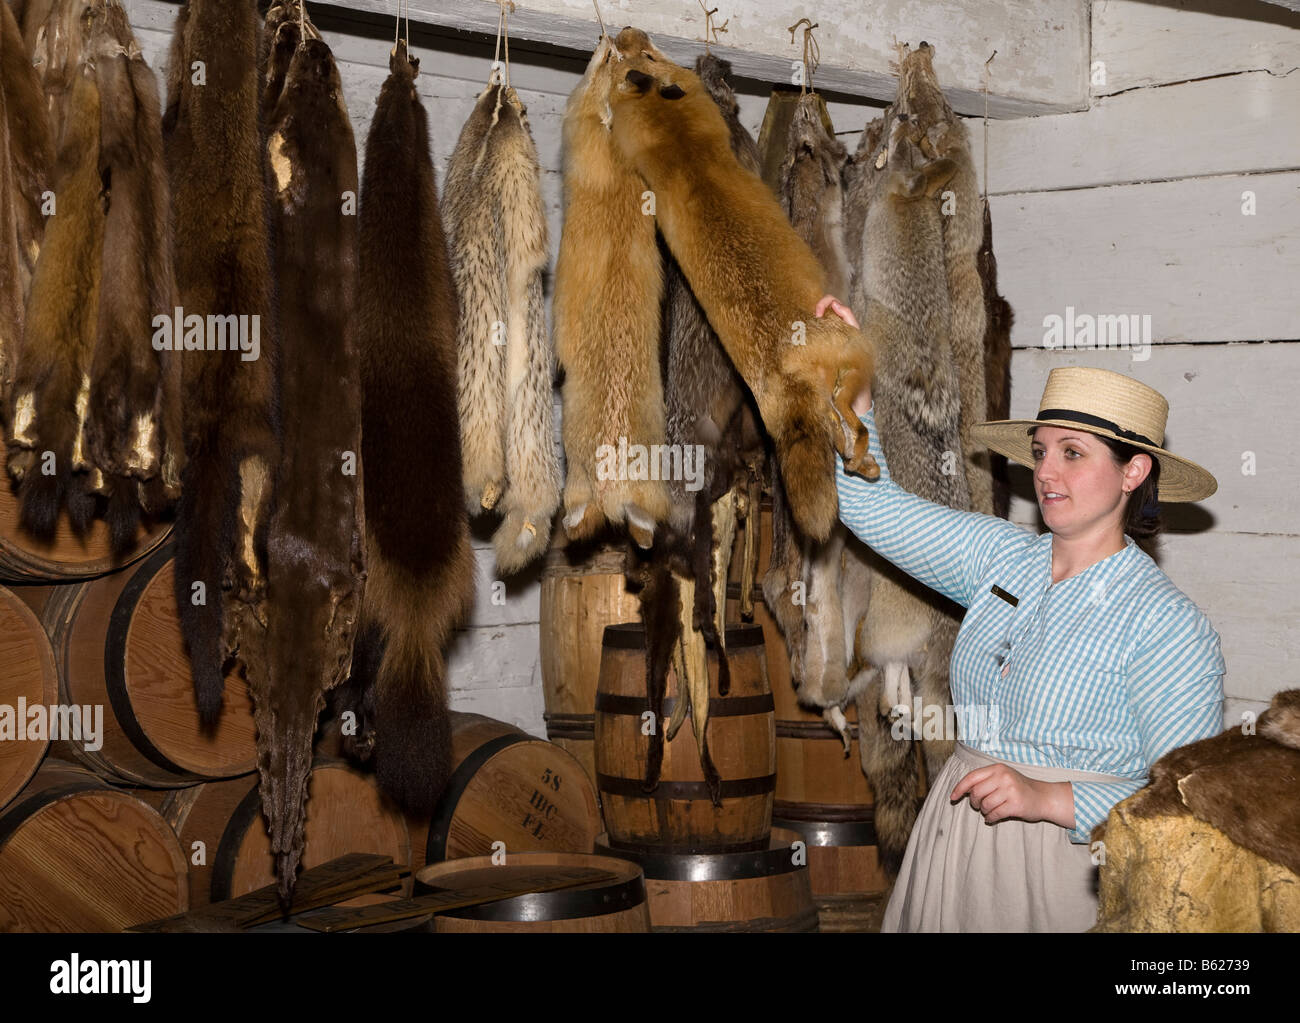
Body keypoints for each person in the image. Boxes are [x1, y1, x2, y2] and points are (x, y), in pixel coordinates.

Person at [814, 296, 1226, 932]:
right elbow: (875, 512)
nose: (1046, 473)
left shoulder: (1166, 625)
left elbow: (1184, 801)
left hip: (1064, 872)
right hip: (956, 843)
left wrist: (1052, 799)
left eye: (1073, 453)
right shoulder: (1000, 555)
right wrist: (854, 401)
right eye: (1040, 452)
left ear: (1133, 471)